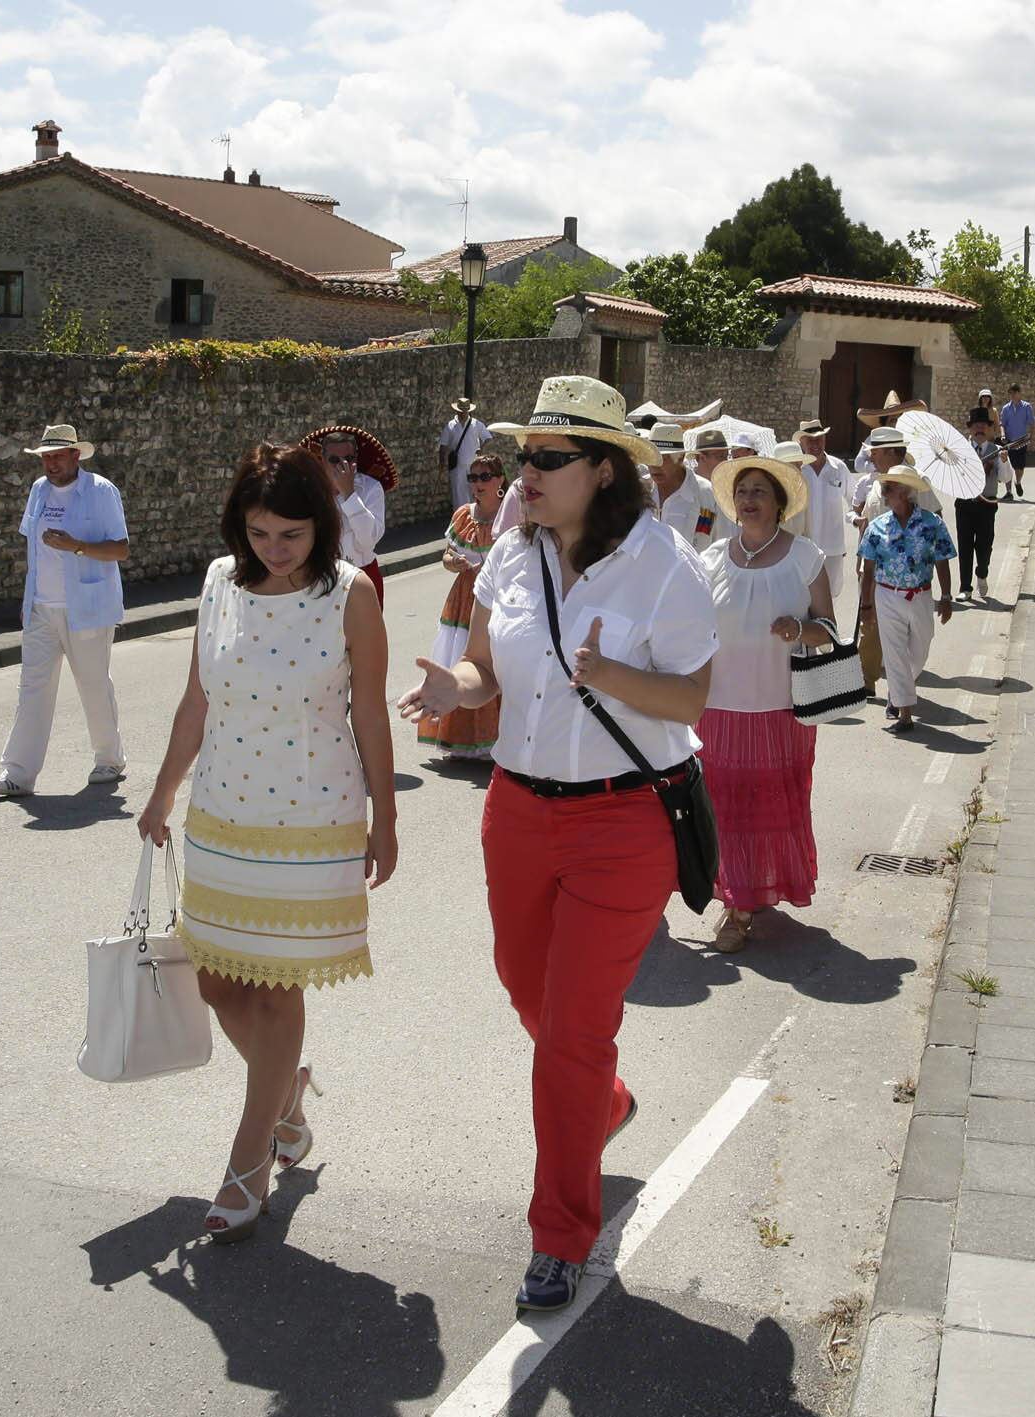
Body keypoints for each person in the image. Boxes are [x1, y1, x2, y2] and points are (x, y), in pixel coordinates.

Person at [396, 375, 716, 1316]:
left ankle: (561, 1233)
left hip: (622, 823)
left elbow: (693, 702)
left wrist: (615, 675)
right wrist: (456, 687)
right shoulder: (511, 549)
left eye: (546, 457)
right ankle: (602, 1105)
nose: (521, 471)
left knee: (572, 1031)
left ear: (603, 470)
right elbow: (488, 666)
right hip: (518, 811)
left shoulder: (664, 565)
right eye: (522, 454)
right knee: (522, 986)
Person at [137, 442, 395, 1245]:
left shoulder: (349, 594)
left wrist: (385, 816)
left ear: (319, 526)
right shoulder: (218, 583)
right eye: (259, 533)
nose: (275, 550)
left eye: (291, 534)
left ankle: (250, 1160)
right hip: (222, 810)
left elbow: (372, 714)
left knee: (278, 989)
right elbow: (194, 700)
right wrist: (161, 791)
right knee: (217, 984)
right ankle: (287, 1094)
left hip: (312, 818)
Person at [696, 454, 835, 952]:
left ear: (778, 504)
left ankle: (752, 894)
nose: (749, 500)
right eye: (743, 492)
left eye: (759, 491)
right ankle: (736, 903)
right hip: (718, 708)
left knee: (770, 807)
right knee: (725, 809)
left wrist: (799, 629)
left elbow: (830, 631)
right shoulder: (710, 559)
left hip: (782, 707)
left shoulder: (806, 557)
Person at [0, 423, 129, 798]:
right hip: (41, 609)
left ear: (75, 456)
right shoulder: (37, 491)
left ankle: (109, 759)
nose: (50, 464)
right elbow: (33, 551)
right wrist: (28, 601)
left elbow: (120, 549)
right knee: (32, 688)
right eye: (45, 457)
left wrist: (76, 546)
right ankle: (18, 773)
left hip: (87, 607)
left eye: (57, 456)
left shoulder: (100, 492)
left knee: (93, 684)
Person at [419, 453, 506, 760]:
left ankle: (495, 740)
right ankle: (462, 739)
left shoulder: (509, 515)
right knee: (462, 659)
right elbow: (446, 555)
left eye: (485, 477)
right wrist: (453, 563)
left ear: (500, 480)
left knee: (492, 662)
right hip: (464, 596)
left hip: (496, 598)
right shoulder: (464, 515)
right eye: (473, 478)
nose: (477, 484)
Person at [859, 464, 955, 733]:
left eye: (890, 487)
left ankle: (901, 689)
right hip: (887, 595)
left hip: (921, 595)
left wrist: (946, 596)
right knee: (894, 652)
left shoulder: (932, 524)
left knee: (920, 650)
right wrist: (866, 606)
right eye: (885, 486)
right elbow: (867, 569)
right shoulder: (877, 527)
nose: (885, 491)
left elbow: (942, 560)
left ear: (906, 491)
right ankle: (904, 713)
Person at [305, 424, 392, 607]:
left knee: (366, 635)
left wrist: (349, 494)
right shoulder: (309, 491)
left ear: (356, 459)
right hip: (320, 576)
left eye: (349, 458)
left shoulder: (371, 488)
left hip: (362, 573)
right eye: (334, 460)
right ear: (322, 460)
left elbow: (368, 541)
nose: (342, 465)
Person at [787, 421, 852, 599]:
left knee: (831, 597)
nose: (815, 445)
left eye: (819, 439)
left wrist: (858, 520)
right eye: (810, 440)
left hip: (833, 549)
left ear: (825, 439)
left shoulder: (839, 468)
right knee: (803, 597)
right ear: (802, 443)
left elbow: (854, 501)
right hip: (803, 547)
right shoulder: (797, 470)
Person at [646, 421, 730, 551]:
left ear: (681, 457)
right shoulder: (641, 493)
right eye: (651, 459)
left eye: (663, 459)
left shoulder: (708, 495)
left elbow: (723, 547)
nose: (655, 466)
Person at [956, 413, 1003, 599]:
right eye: (975, 426)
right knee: (965, 546)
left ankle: (982, 574)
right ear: (970, 429)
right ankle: (965, 588)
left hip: (987, 504)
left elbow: (1004, 478)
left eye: (983, 425)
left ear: (990, 429)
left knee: (985, 546)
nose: (979, 429)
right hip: (964, 504)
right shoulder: (960, 451)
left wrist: (1005, 462)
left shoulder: (997, 450)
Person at [853, 390, 928, 478]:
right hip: (877, 480)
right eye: (893, 420)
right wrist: (880, 465)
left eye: (900, 419)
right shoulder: (874, 438)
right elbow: (858, 464)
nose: (897, 423)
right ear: (885, 422)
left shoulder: (913, 438)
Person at [439, 396, 491, 510]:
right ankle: (460, 518)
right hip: (457, 466)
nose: (463, 413)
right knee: (458, 493)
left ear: (468, 411)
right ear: (457, 411)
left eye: (465, 411)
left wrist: (481, 448)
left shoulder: (476, 424)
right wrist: (442, 462)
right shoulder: (450, 426)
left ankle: (474, 517)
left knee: (474, 491)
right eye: (461, 411)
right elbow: (443, 445)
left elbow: (487, 437)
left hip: (473, 465)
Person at [1000, 384, 1035, 498]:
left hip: (1022, 440)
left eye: (1014, 393)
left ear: (1019, 393)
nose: (1012, 395)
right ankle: (1009, 492)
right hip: (1009, 441)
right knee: (1008, 465)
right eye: (1010, 393)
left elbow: (1032, 423)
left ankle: (1018, 482)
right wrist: (1002, 435)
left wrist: (1032, 437)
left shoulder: (1027, 407)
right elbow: (1002, 424)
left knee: (1020, 466)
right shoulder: (1006, 408)